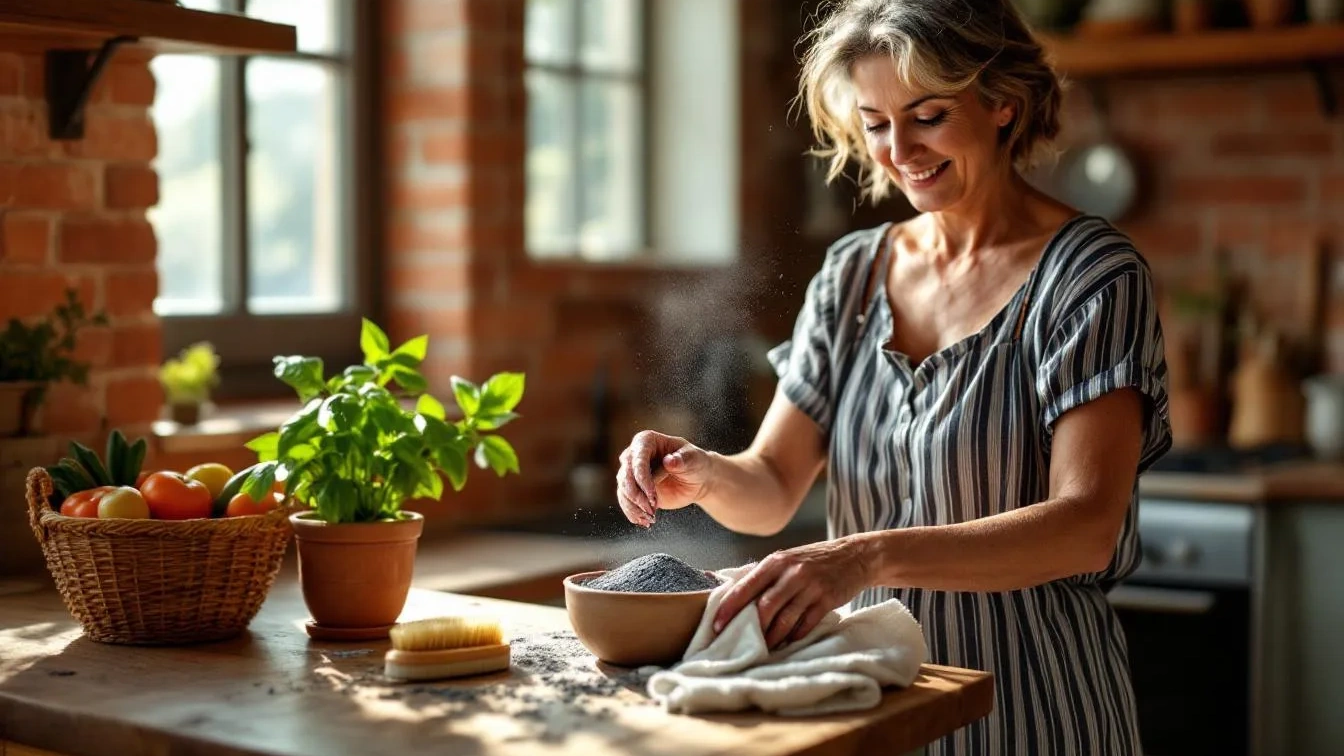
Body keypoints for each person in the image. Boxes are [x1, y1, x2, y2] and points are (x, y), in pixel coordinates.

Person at [615, 1, 1172, 754]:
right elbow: (772, 484)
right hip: (871, 705)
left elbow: (1085, 528)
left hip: (1035, 708)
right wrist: (704, 473)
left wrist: (866, 556)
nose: (900, 150)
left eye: (929, 116)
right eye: (875, 123)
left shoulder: (1092, 277)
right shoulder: (851, 275)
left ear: (1003, 103)